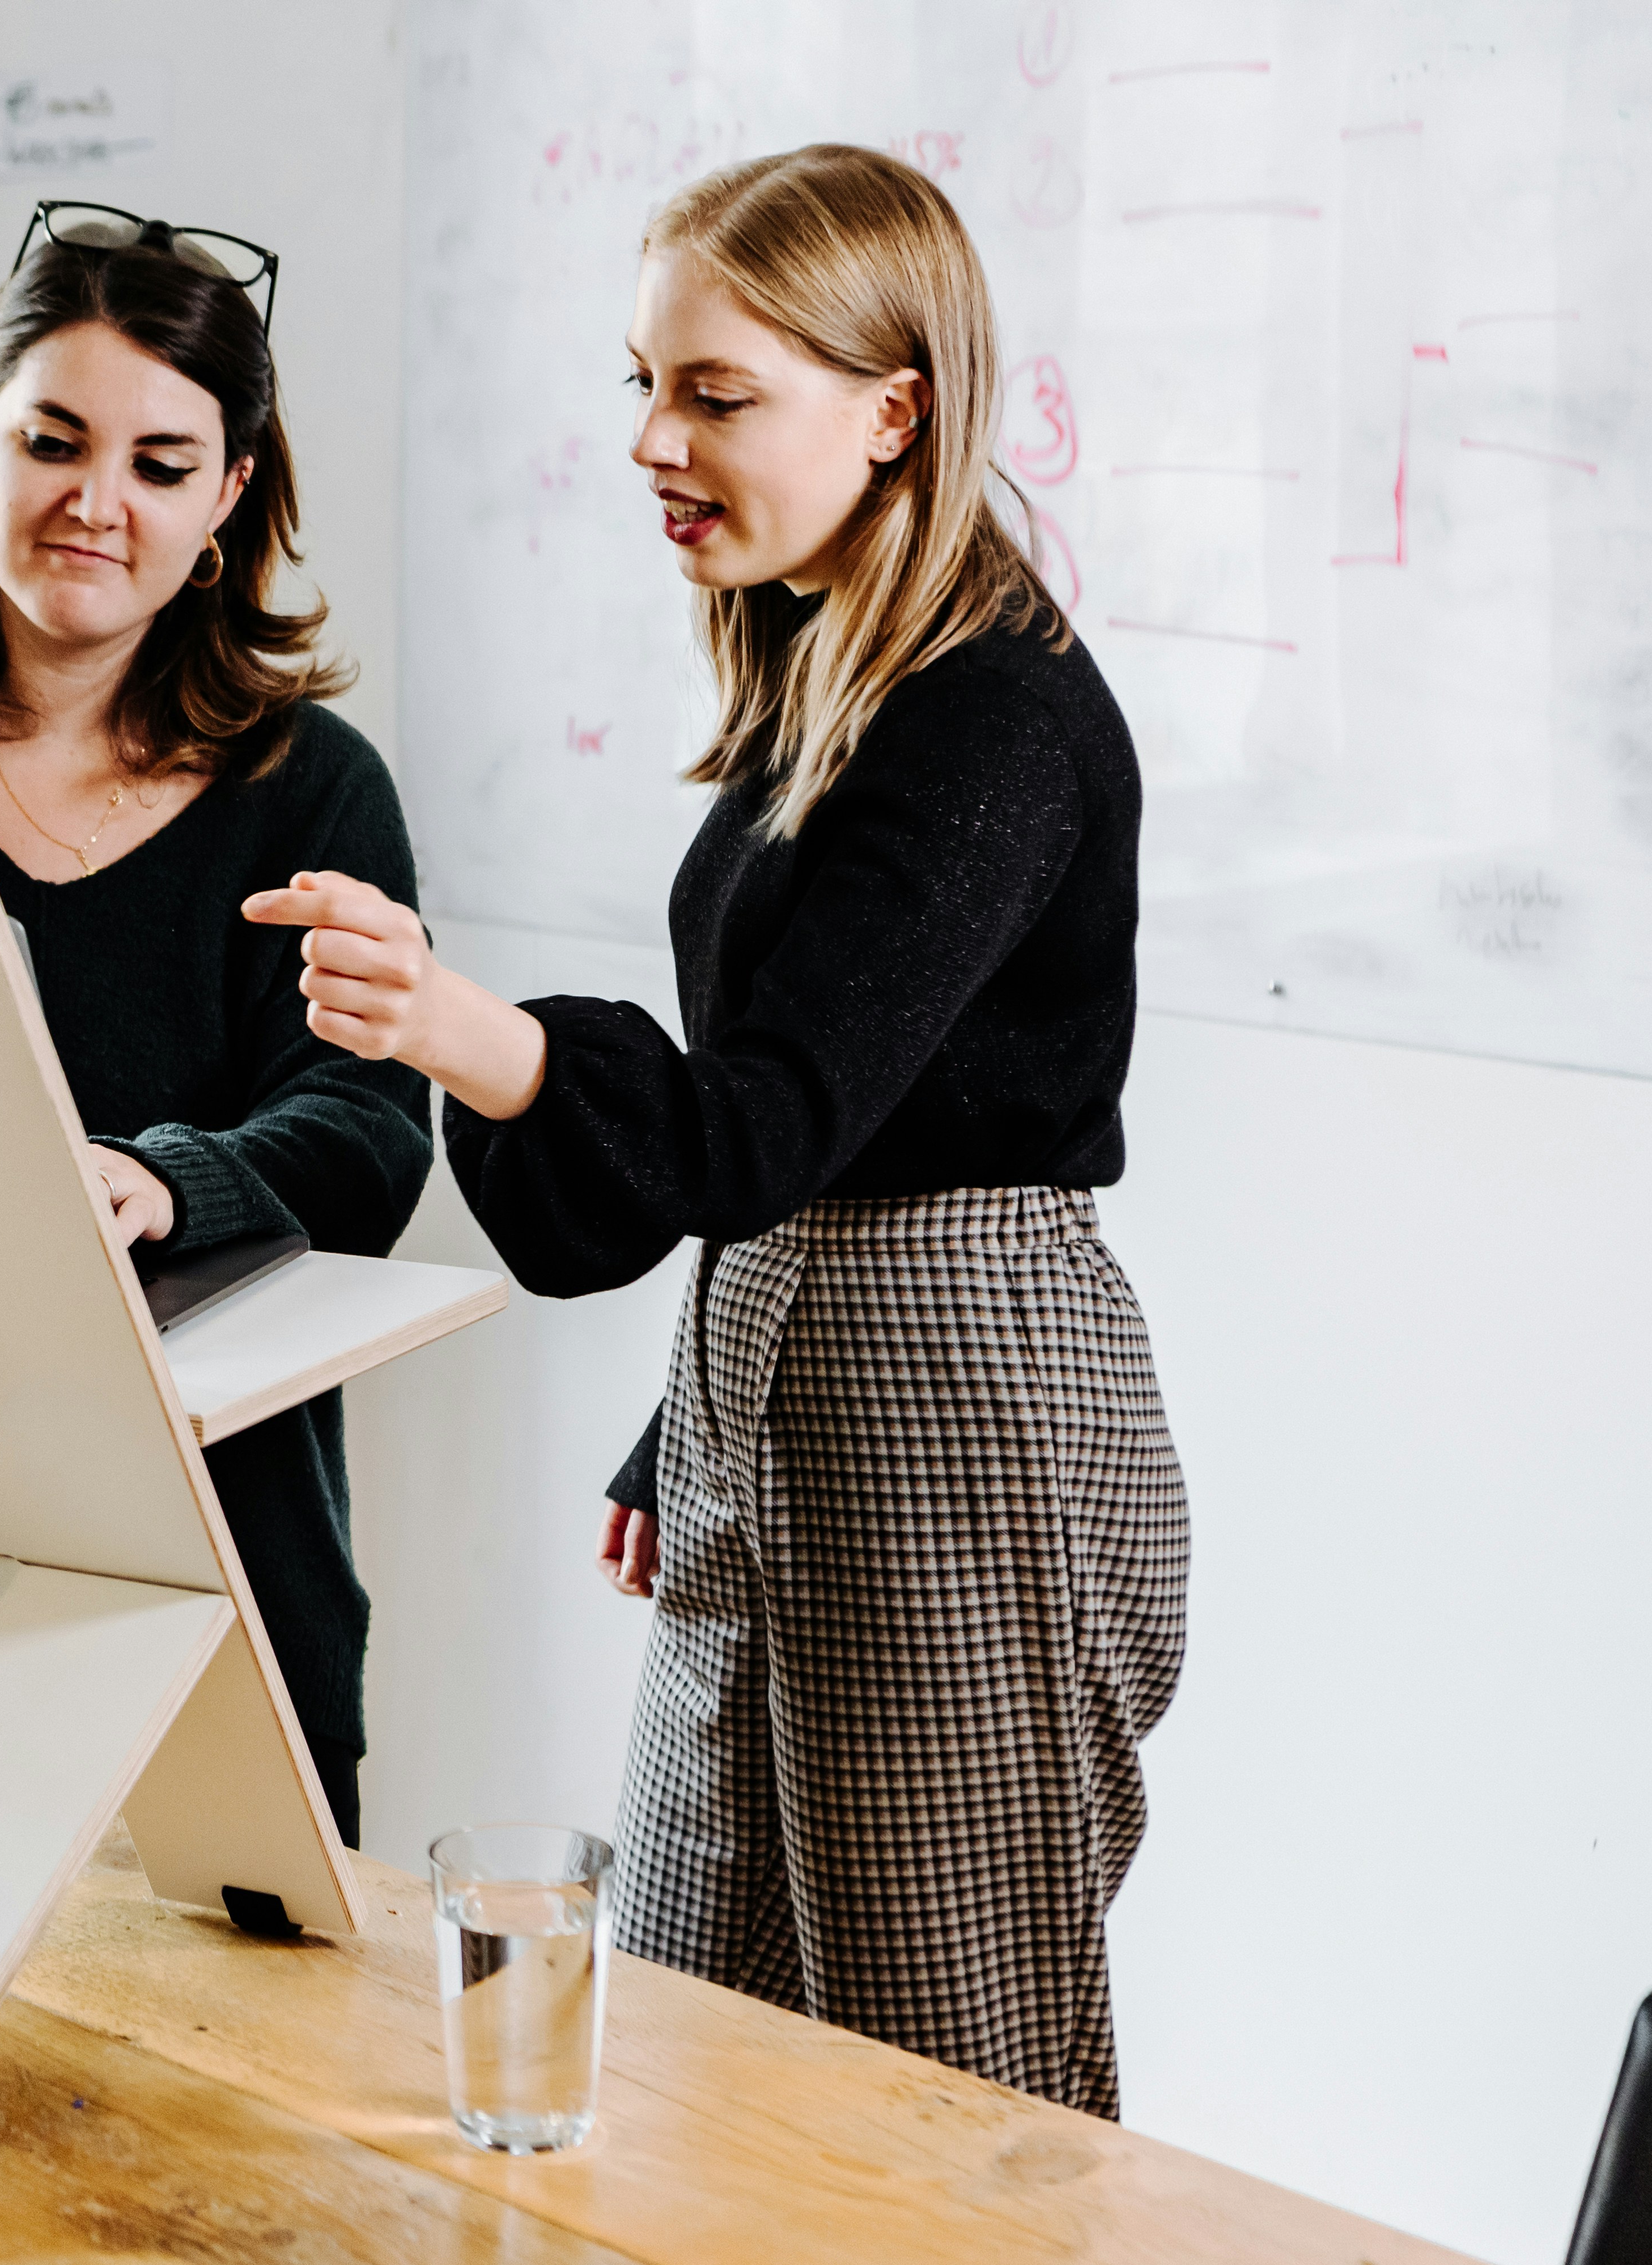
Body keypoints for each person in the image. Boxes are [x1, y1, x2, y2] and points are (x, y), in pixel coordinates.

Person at [245, 146, 1187, 2115]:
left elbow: (768, 1117)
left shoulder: (989, 718)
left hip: (960, 1396)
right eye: (644, 386)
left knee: (953, 2070)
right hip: (797, 1364)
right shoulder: (831, 668)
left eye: (718, 396)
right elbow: (818, 1129)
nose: (658, 442)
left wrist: (470, 1033)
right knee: (705, 2019)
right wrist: (696, 1414)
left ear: (895, 406)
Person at [0, 205, 428, 1846]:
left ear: (231, 496)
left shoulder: (311, 787)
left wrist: (158, 1182)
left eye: (162, 463)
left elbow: (374, 1131)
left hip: (217, 1583)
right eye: (51, 439)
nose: (94, 505)